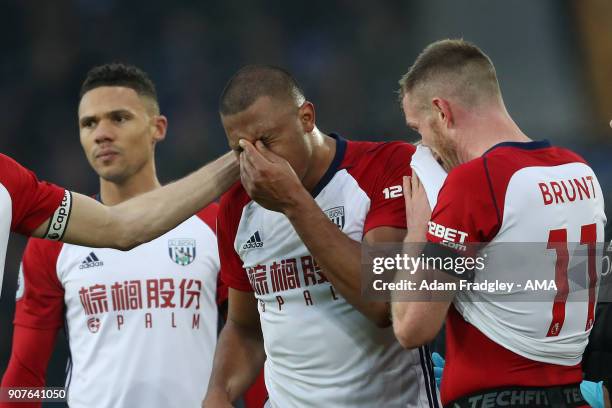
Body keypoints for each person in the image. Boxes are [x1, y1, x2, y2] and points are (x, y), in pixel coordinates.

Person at [0, 63, 263, 408]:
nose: (102, 134)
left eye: (118, 118)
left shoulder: (214, 227)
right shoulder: (51, 245)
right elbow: (25, 377)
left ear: (158, 128)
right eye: (89, 124)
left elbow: (250, 338)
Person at [203, 65, 439, 408]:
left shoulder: (386, 166)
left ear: (306, 117)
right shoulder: (237, 205)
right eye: (241, 151)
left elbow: (383, 302)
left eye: (266, 141)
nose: (257, 160)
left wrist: (294, 202)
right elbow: (244, 327)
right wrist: (218, 391)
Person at [391, 39, 606, 407]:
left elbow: (412, 328)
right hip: (573, 395)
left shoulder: (477, 183)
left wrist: (416, 233)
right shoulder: (580, 170)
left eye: (419, 128)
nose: (422, 145)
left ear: (442, 112)